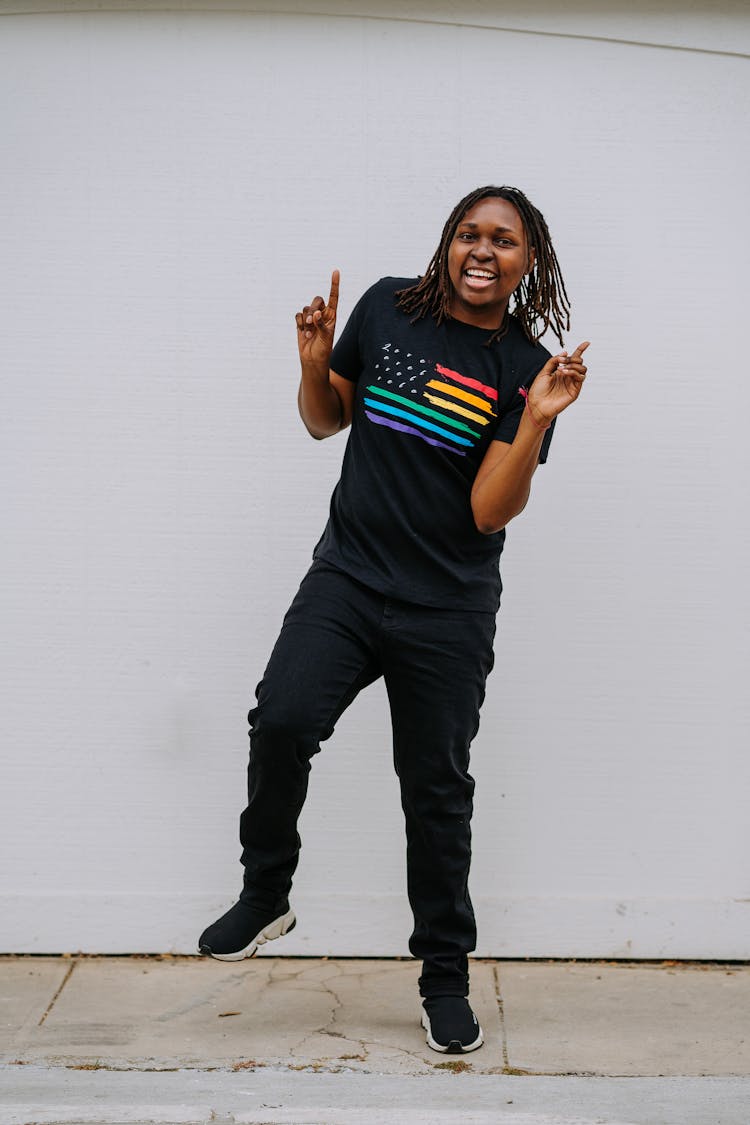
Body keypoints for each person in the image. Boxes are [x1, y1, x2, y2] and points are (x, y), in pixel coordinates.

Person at [199, 185, 589, 1054]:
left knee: (436, 790)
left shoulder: (527, 366)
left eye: (505, 240)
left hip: (446, 606)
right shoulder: (383, 307)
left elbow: (490, 510)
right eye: (469, 233)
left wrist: (531, 424)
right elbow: (324, 421)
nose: (483, 250)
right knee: (283, 718)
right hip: (347, 578)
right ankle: (268, 891)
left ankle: (443, 977)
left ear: (531, 261)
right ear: (446, 243)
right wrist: (309, 361)